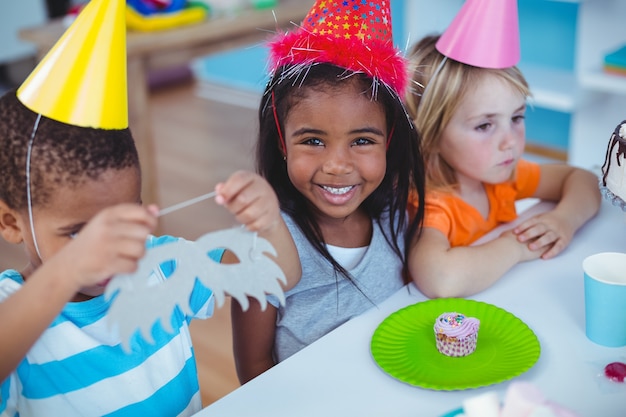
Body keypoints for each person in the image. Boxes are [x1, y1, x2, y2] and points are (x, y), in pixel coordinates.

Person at [0, 86, 299, 415]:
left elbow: (281, 276)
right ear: (10, 223)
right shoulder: (14, 312)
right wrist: (67, 270)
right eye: (78, 234)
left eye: (125, 221)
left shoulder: (162, 265)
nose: (108, 250)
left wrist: (269, 221)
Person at [230, 0, 426, 384]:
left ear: (388, 141)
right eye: (314, 141)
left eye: (362, 141)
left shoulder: (397, 214)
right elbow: (253, 371)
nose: (337, 165)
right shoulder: (263, 246)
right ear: (283, 143)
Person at [404, 34, 601, 299]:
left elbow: (582, 179)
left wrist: (564, 219)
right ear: (431, 136)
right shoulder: (433, 203)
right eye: (484, 125)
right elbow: (441, 279)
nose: (510, 141)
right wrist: (516, 247)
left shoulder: (503, 175)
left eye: (516, 117)